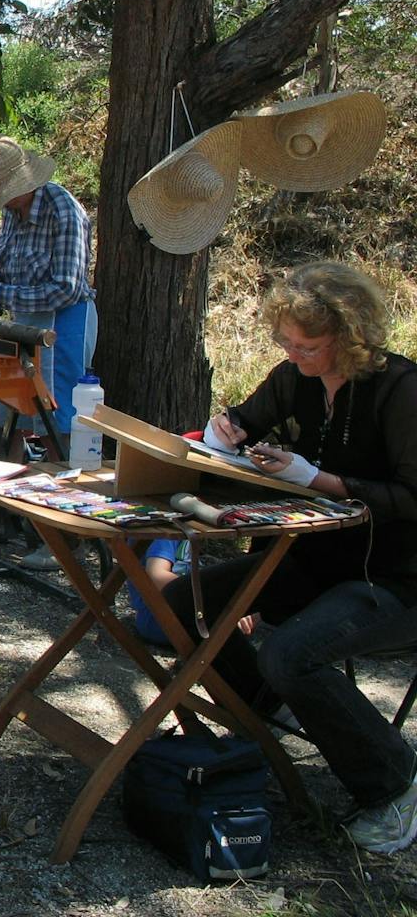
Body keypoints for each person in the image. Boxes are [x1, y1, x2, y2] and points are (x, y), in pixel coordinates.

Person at [164, 262, 417, 854]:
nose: (296, 354)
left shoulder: (400, 389)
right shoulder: (291, 378)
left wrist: (320, 479)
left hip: (395, 576)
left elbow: (411, 497)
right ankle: (257, 717)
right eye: (286, 343)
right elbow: (239, 428)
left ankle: (394, 782)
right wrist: (222, 439)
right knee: (181, 604)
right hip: (312, 562)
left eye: (310, 346)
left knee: (292, 652)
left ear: (351, 335)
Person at [0, 135, 98, 568]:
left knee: (56, 428)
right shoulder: (14, 212)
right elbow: (11, 269)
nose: (5, 204)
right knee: (6, 424)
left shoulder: (63, 209)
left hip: (62, 326)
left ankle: (66, 537)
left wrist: (1, 289)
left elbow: (65, 288)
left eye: (8, 195)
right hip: (21, 325)